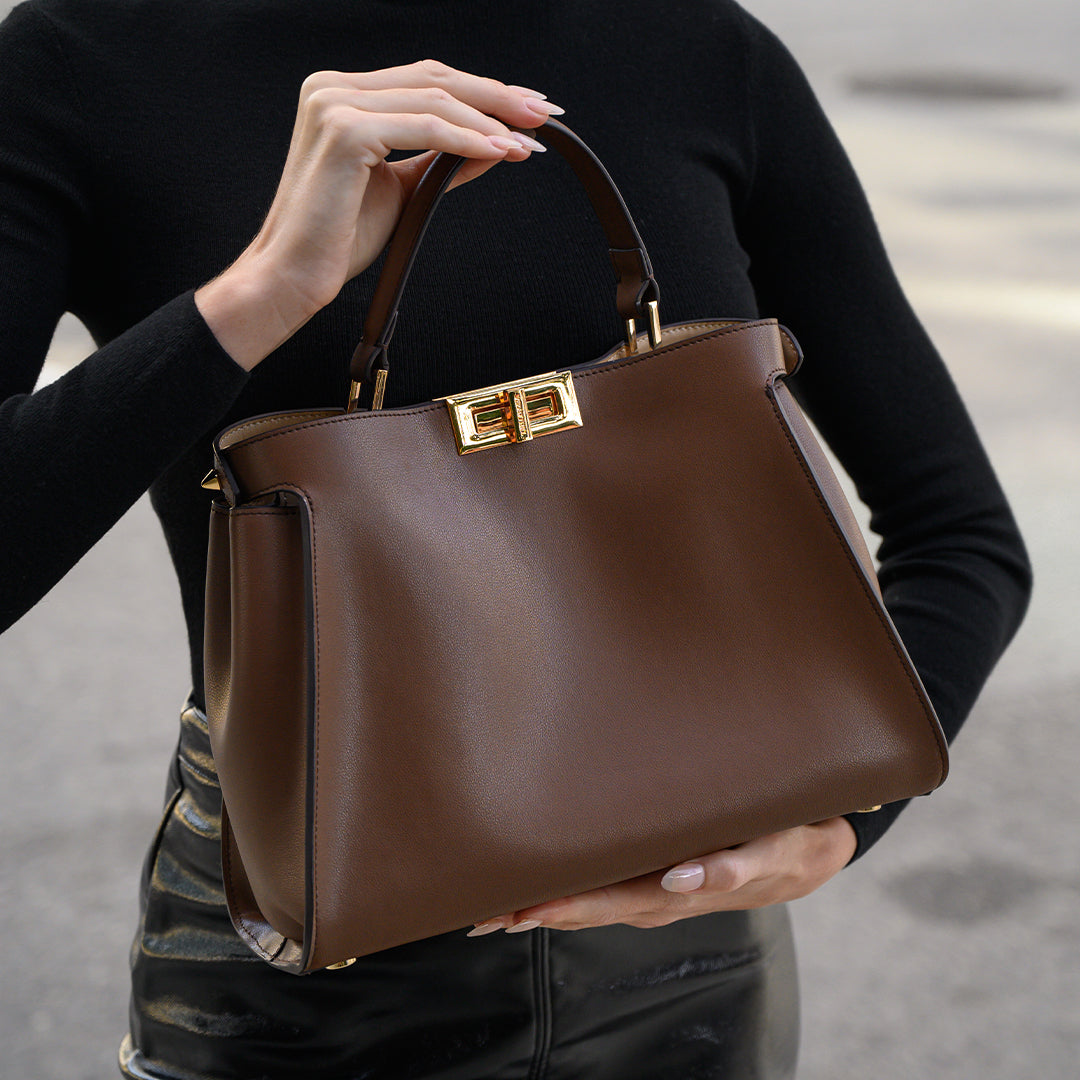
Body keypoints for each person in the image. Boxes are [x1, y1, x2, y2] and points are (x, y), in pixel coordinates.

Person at [0, 1, 1031, 1077]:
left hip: (689, 977)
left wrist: (841, 824)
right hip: (298, 987)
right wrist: (262, 295)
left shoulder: (696, 49)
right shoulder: (87, 56)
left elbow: (961, 533)